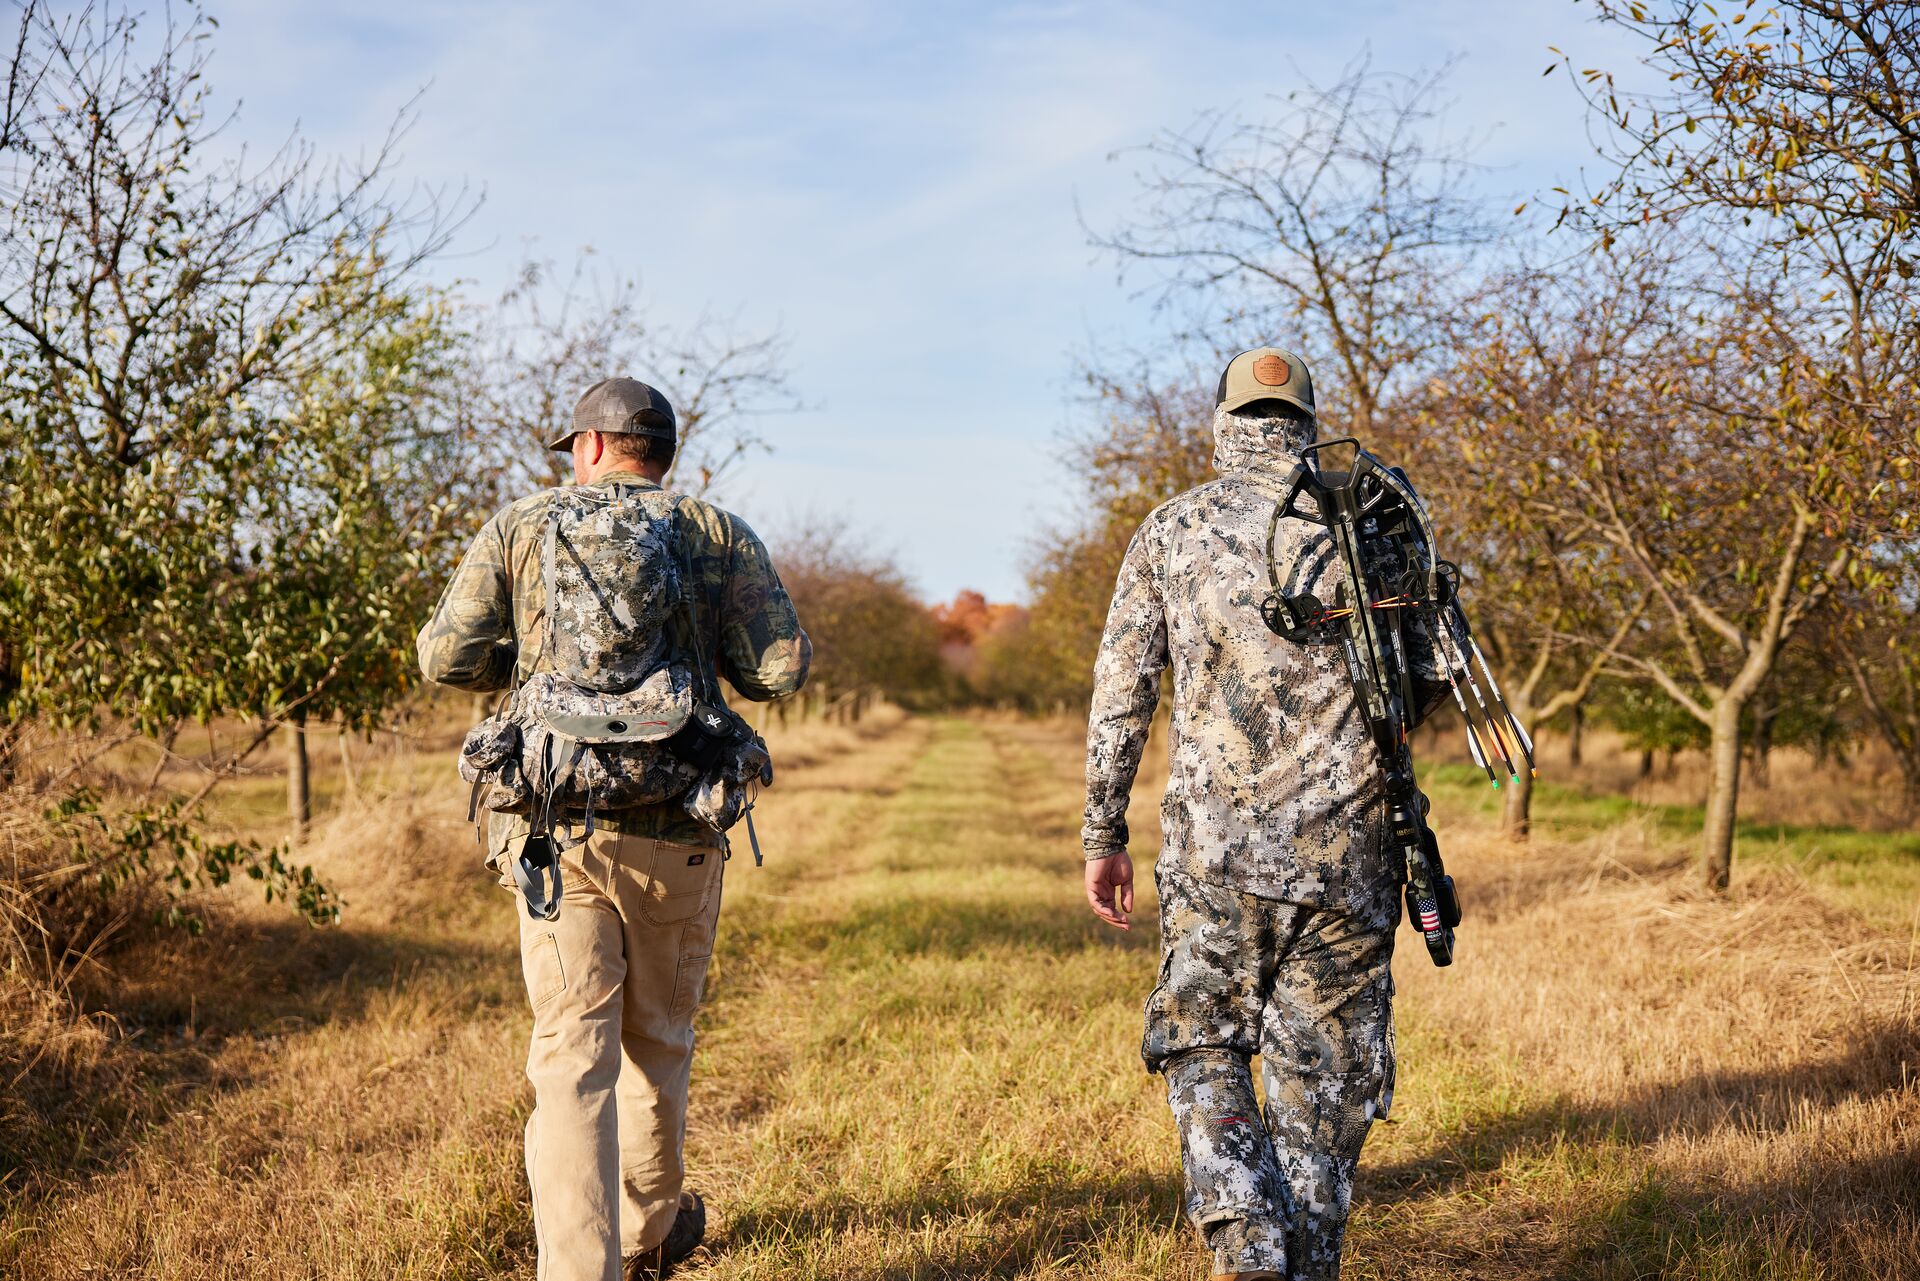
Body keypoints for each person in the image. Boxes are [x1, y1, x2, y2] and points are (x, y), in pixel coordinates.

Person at [417, 376, 811, 1281]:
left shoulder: (521, 526)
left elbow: (444, 657)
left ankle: (576, 1271)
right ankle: (645, 1238)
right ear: (663, 453)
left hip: (557, 834)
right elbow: (782, 670)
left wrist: (527, 652)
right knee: (659, 1044)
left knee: (569, 1062)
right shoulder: (714, 533)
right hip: (680, 826)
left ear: (589, 447)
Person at [1080, 348, 1443, 1281]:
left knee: (1204, 1041)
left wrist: (1103, 833)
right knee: (1325, 1087)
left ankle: (1245, 1239)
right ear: (1310, 420)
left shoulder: (1171, 529)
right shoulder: (1378, 523)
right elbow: (1434, 671)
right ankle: (1305, 1262)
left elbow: (1122, 691)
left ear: (1223, 422)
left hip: (1214, 860)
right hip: (1355, 857)